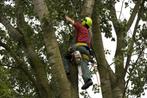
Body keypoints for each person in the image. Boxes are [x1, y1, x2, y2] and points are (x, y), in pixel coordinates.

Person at [64, 16, 93, 90]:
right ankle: (87, 80)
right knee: (83, 63)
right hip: (87, 52)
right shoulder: (89, 34)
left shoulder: (81, 27)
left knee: (66, 56)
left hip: (79, 47)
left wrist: (67, 18)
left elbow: (73, 23)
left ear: (84, 22)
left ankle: (66, 71)